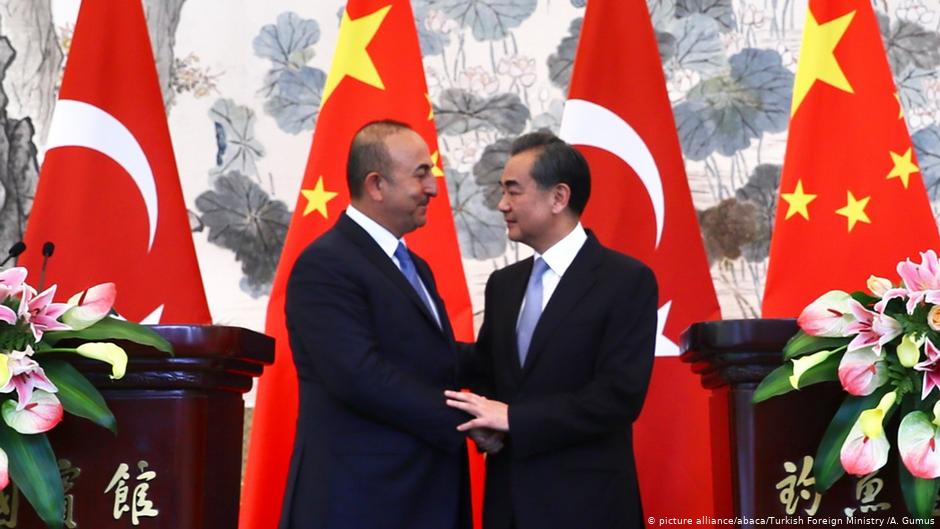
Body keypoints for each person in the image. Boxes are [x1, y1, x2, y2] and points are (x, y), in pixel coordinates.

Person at [446, 131, 659, 529]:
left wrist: (515, 420)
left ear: (558, 197)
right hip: (508, 504)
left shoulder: (625, 281)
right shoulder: (504, 285)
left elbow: (618, 396)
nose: (501, 205)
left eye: (513, 191)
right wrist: (410, 338)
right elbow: (490, 371)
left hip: (588, 506)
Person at [279, 120, 478, 529]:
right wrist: (469, 420)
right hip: (360, 501)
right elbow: (358, 375)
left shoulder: (415, 267)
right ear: (376, 184)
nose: (435, 188)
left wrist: (525, 362)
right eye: (421, 173)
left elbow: (430, 357)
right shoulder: (326, 264)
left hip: (420, 494)